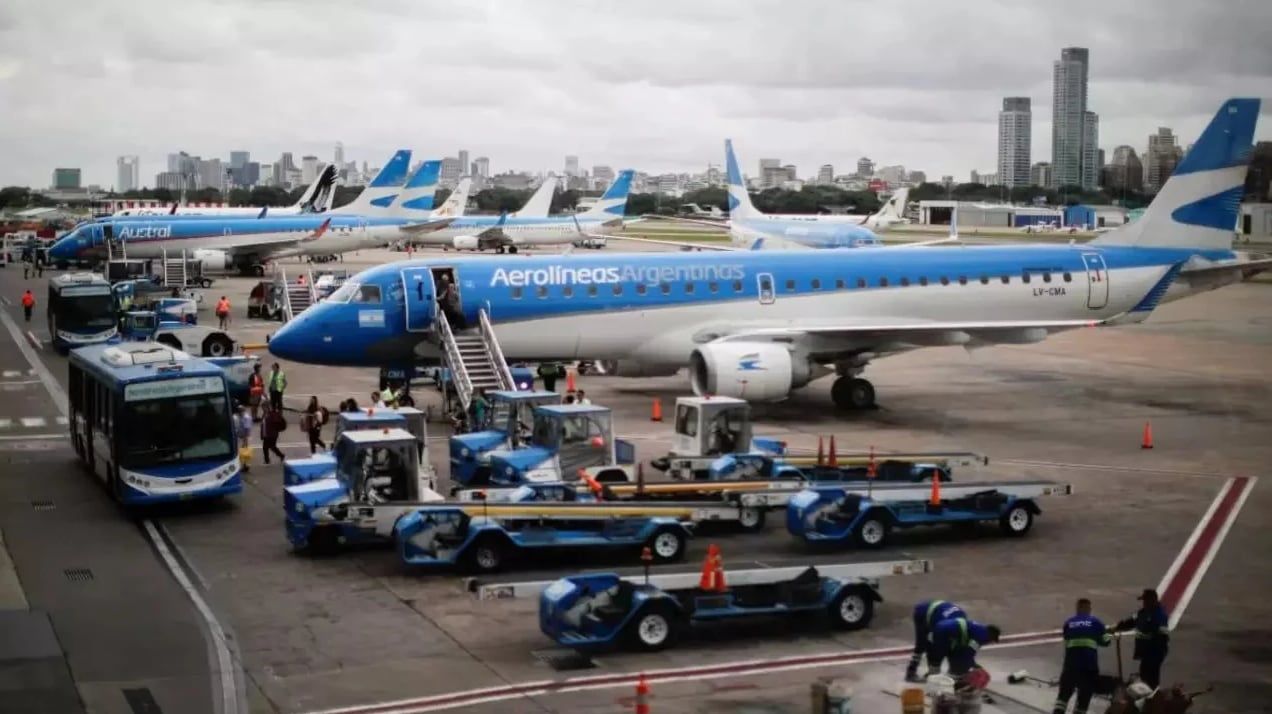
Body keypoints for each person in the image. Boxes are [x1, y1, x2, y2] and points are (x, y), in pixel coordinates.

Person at [1052, 598, 1112, 714]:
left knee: (1063, 696)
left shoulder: (1068, 623)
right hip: (1088, 667)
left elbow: (1067, 640)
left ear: (1078, 609)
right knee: (1084, 697)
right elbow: (1106, 642)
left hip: (1070, 666)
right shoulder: (1096, 622)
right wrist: (1104, 633)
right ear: (1088, 609)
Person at [1116, 588, 1169, 689]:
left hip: (1154, 652)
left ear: (1153, 600)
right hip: (1145, 652)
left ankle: (1152, 694)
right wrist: (1118, 626)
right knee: (1144, 675)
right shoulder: (1143, 612)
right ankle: (1147, 693)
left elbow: (1163, 636)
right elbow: (1132, 621)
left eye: (1146, 600)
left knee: (1151, 678)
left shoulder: (1159, 616)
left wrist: (1155, 652)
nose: (1144, 603)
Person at [906, 599, 968, 682]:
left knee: (943, 647)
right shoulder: (942, 628)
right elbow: (933, 646)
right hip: (923, 612)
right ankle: (911, 672)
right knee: (921, 643)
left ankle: (931, 672)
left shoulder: (963, 625)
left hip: (938, 611)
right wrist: (934, 668)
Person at [929, 617, 1001, 680]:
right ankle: (947, 679)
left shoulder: (979, 629)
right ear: (991, 635)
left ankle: (943, 676)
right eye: (992, 640)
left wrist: (972, 664)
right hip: (944, 633)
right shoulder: (982, 636)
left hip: (940, 626)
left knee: (955, 655)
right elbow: (969, 653)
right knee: (959, 663)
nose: (989, 642)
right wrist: (975, 666)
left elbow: (964, 650)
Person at [235, 405, 253, 473]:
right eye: (238, 411)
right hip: (242, 437)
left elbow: (247, 429)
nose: (239, 412)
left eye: (240, 411)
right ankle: (245, 466)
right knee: (243, 453)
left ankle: (246, 466)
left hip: (245, 437)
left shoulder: (246, 417)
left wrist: (245, 440)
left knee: (245, 452)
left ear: (243, 410)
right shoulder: (241, 417)